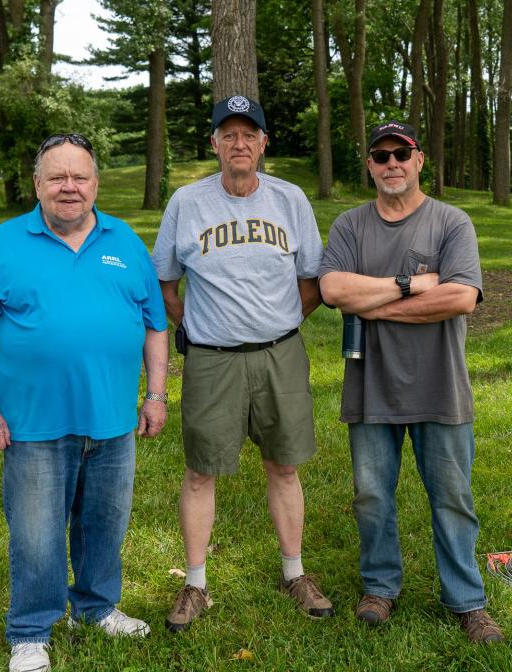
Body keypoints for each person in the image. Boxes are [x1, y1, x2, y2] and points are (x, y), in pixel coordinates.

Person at [0, 133, 170, 672]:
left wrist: (157, 394)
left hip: (114, 421)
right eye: (57, 177)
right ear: (37, 185)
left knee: (105, 524)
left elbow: (155, 326)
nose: (69, 187)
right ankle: (30, 631)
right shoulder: (4, 244)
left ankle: (96, 609)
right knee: (36, 534)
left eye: (79, 177)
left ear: (96, 184)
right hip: (33, 426)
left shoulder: (126, 242)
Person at [151, 95, 333, 633]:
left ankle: (293, 572)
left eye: (248, 134)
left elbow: (312, 279)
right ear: (213, 144)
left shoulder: (291, 199)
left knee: (284, 464)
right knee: (201, 470)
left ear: (263, 143)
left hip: (281, 355)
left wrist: (277, 324)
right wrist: (196, 325)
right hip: (212, 361)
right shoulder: (187, 203)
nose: (239, 143)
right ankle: (196, 584)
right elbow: (164, 278)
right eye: (227, 134)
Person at [318, 121, 504, 643]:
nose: (391, 163)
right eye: (380, 156)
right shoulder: (351, 226)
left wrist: (375, 305)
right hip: (369, 387)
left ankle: (466, 600)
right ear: (370, 166)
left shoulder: (451, 222)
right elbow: (333, 289)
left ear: (420, 160)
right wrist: (406, 286)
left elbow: (460, 297)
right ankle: (380, 587)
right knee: (372, 496)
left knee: (451, 497)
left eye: (402, 153)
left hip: (441, 387)